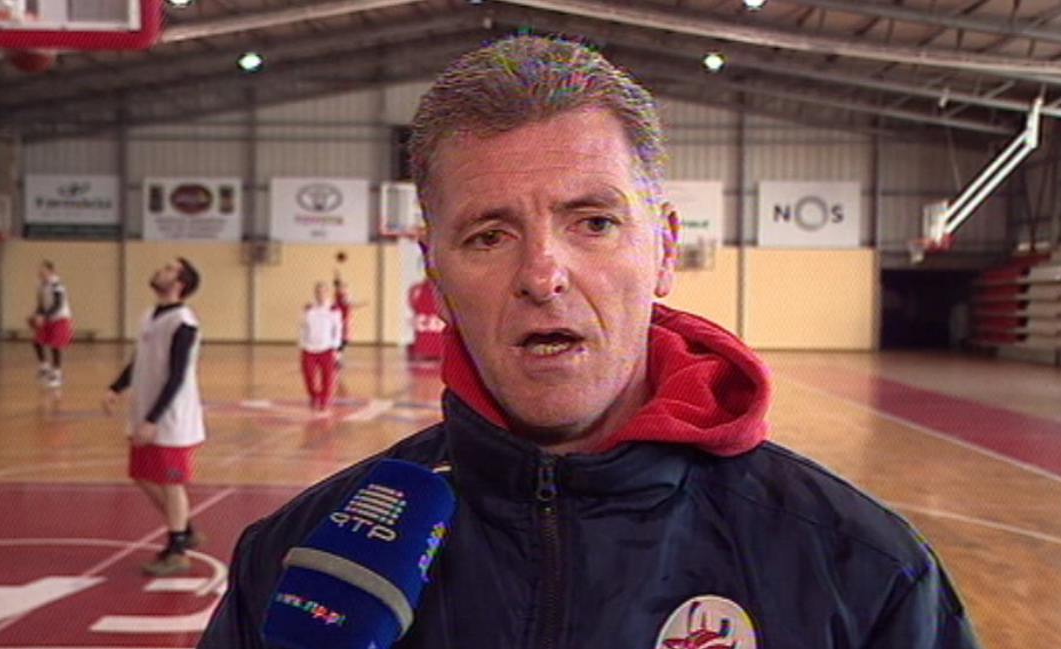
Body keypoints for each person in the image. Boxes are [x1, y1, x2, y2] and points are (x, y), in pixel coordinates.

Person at [198, 36, 980, 648]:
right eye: (488, 234)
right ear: (434, 269)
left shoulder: (862, 568)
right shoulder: (296, 558)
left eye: (594, 222)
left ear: (664, 249)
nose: (543, 274)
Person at [103, 257, 206, 576]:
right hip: (145, 410)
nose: (161, 270)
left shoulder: (183, 322)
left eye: (169, 269)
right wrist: (116, 387)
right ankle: (184, 528)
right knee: (141, 474)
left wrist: (153, 419)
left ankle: (177, 550)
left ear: (179, 283)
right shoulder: (149, 315)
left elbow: (177, 375)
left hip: (170, 417)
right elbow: (140, 360)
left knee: (170, 482)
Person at [298, 281, 342, 413]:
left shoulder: (333, 309)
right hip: (309, 348)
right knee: (309, 376)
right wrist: (302, 343)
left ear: (327, 293)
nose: (320, 294)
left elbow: (337, 329)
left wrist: (336, 347)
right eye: (318, 291)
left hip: (327, 348)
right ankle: (314, 396)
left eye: (323, 291)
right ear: (315, 293)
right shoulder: (308, 309)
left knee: (327, 377)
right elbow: (302, 327)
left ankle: (324, 400)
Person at [29, 260, 74, 388]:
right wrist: (37, 314)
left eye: (43, 270)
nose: (40, 272)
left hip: (60, 317)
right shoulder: (40, 286)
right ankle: (45, 367)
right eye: (40, 270)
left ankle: (57, 375)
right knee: (36, 341)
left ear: (51, 271)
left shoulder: (57, 286)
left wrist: (44, 316)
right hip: (48, 317)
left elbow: (58, 304)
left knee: (56, 345)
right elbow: (41, 304)